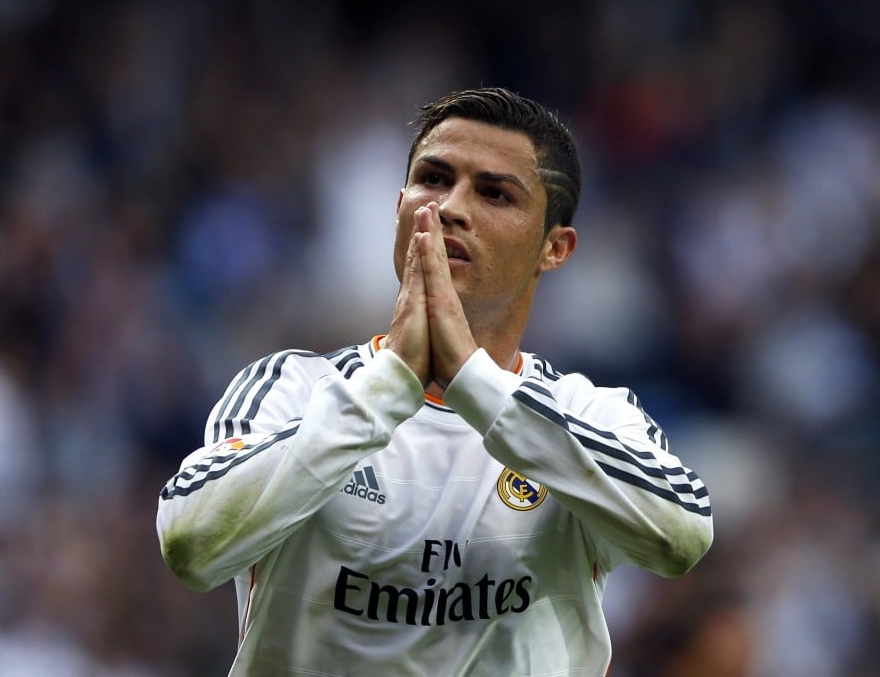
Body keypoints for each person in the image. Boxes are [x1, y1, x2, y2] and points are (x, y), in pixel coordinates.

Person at [156, 87, 713, 675]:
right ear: (399, 206)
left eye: (494, 193)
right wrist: (389, 382)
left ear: (554, 247)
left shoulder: (592, 413)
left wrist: (475, 383)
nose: (450, 207)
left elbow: (681, 534)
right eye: (433, 179)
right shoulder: (289, 387)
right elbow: (192, 545)